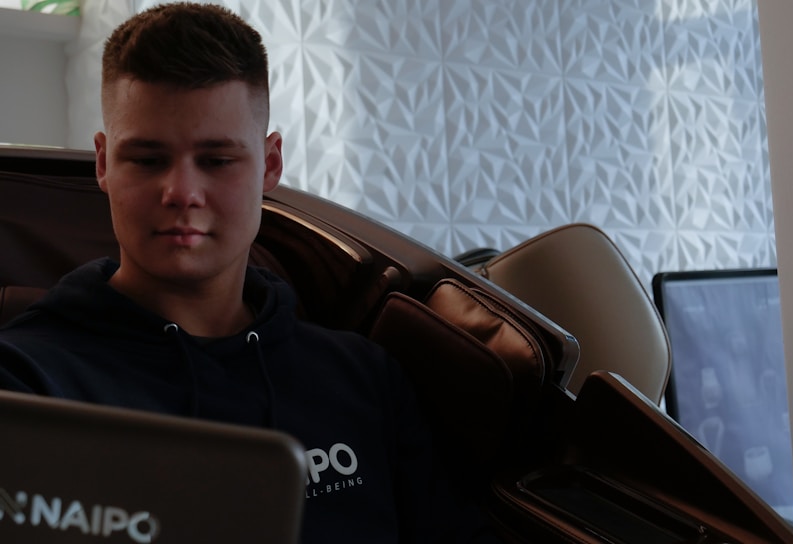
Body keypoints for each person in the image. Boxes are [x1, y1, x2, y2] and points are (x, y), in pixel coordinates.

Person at [0, 3, 493, 542]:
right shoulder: (25, 385)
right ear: (103, 164)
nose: (181, 193)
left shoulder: (363, 379)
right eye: (147, 159)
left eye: (216, 160)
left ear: (270, 163)